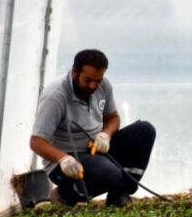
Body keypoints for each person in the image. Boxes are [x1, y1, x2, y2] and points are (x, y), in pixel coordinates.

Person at [30, 49, 156, 207]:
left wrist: (105, 135)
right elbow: (36, 141)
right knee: (108, 172)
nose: (93, 85)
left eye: (98, 80)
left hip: (96, 151)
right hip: (66, 161)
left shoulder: (103, 85)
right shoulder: (55, 96)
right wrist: (63, 159)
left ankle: (120, 192)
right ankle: (67, 194)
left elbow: (113, 118)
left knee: (145, 131)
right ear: (75, 72)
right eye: (88, 80)